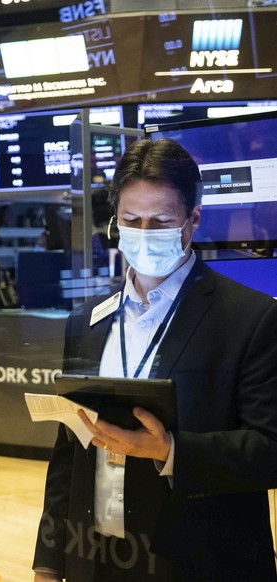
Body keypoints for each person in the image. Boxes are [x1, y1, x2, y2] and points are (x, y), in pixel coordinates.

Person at [32, 138, 277, 581]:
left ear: (192, 221)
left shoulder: (251, 318)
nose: (144, 232)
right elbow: (67, 453)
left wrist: (171, 450)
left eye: (160, 221)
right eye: (131, 220)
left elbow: (271, 448)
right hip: (95, 556)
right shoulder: (85, 322)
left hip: (196, 562)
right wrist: (49, 561)